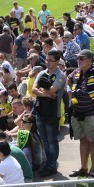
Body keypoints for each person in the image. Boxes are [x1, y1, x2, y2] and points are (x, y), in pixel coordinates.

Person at [68, 50, 94, 179]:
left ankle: (93, 169)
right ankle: (83, 168)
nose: (79, 61)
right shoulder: (76, 72)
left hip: (91, 114)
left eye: (82, 59)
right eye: (78, 59)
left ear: (90, 60)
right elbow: (69, 80)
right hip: (77, 113)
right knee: (83, 141)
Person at [31, 49, 66, 177]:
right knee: (44, 140)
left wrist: (45, 91)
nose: (48, 62)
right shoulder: (41, 73)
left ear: (57, 62)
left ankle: (52, 165)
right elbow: (34, 90)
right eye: (46, 59)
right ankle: (48, 162)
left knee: (52, 140)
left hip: (52, 112)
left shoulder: (60, 75)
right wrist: (45, 93)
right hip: (40, 110)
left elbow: (53, 91)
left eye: (51, 60)